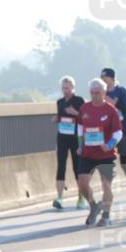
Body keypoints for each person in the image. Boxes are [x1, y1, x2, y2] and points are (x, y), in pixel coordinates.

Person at [77, 78, 123, 228]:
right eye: (92, 93)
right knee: (82, 183)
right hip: (88, 153)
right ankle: (93, 206)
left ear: (104, 93)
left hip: (106, 155)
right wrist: (79, 145)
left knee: (106, 186)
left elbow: (118, 133)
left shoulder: (111, 110)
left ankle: (106, 215)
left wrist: (109, 145)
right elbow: (79, 129)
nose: (94, 95)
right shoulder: (84, 108)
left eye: (97, 93)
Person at [101, 67, 126, 206]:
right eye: (102, 77)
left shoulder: (121, 91)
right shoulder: (100, 93)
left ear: (112, 78)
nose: (103, 79)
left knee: (124, 163)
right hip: (108, 134)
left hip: (124, 131)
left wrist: (116, 104)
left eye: (106, 77)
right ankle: (107, 195)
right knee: (107, 163)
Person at [52, 76, 87, 210]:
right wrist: (57, 119)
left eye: (67, 88)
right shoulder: (60, 101)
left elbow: (86, 118)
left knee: (77, 167)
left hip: (75, 138)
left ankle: (81, 197)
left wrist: (75, 113)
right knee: (61, 166)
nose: (65, 90)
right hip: (62, 137)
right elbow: (61, 116)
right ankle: (60, 198)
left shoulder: (79, 100)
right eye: (63, 88)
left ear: (73, 87)